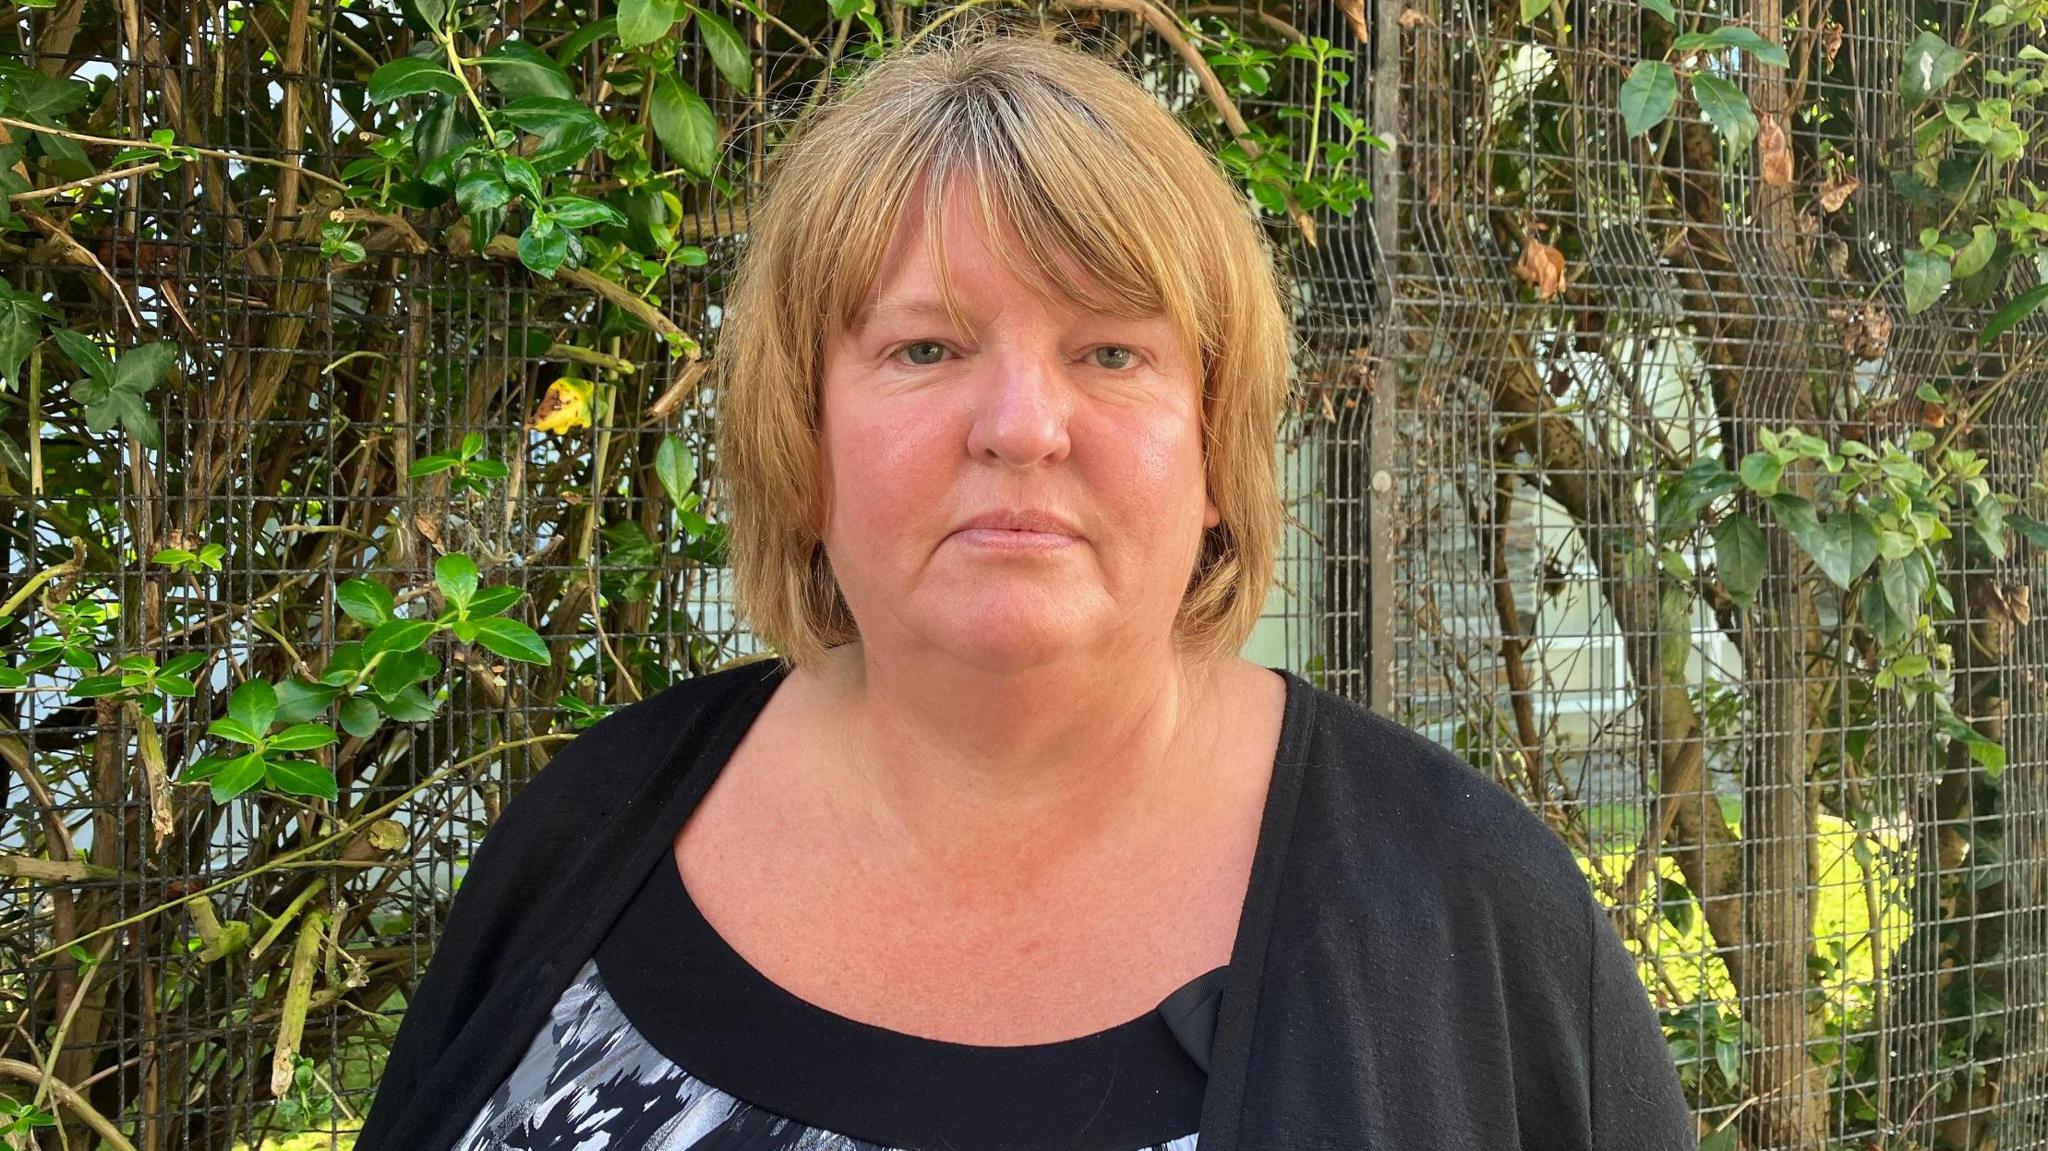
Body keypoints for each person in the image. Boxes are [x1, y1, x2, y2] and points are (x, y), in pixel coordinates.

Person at [359, 23, 1696, 1151]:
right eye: (927, 346)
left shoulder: (1474, 923)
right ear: (802, 430)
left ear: (1220, 449)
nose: (1019, 425)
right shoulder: (585, 842)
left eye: (1112, 353)